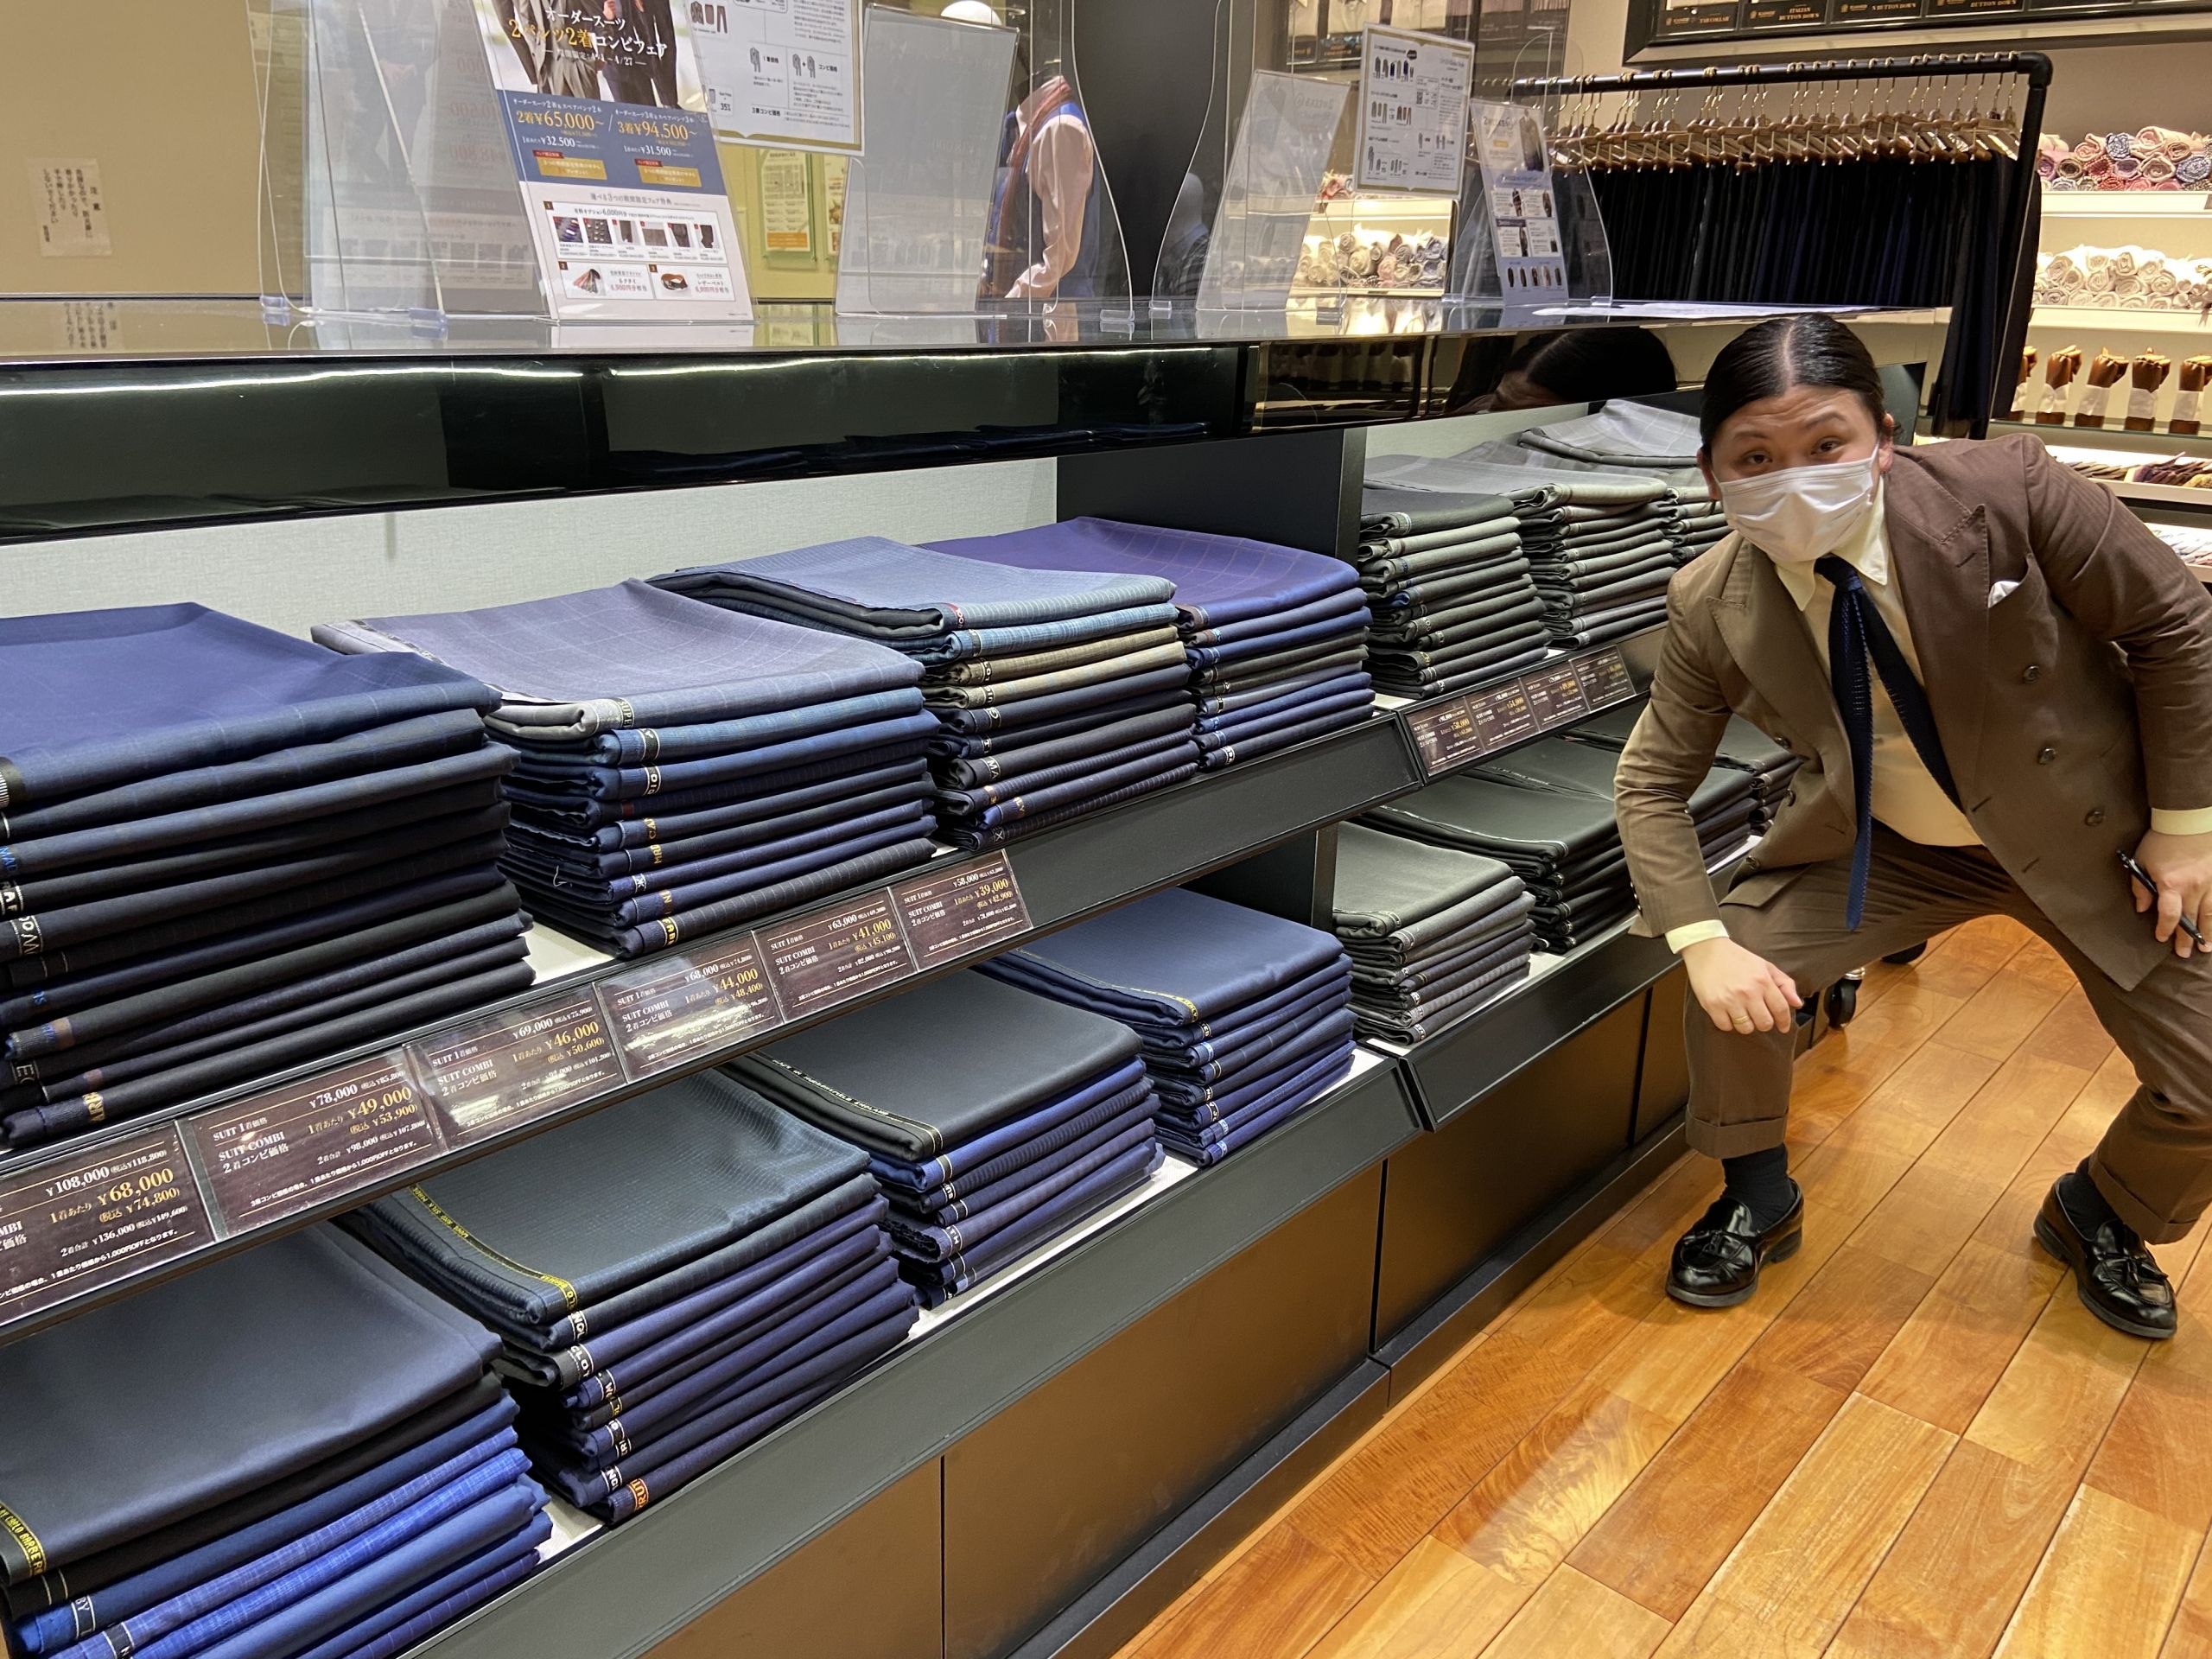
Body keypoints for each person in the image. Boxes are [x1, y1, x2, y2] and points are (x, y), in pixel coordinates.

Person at [1615, 314, 2212, 1339]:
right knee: (1743, 967)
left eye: (1826, 444)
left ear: (1883, 437)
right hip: (1883, 843)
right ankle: (1756, 1194)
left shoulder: (2010, 488)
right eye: (1754, 458)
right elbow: (1651, 779)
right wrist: (1700, 939)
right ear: (1710, 476)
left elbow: (2175, 624)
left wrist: (2185, 826)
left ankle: (2102, 1210)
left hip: (2091, 834)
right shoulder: (1709, 600)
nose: (1795, 479)